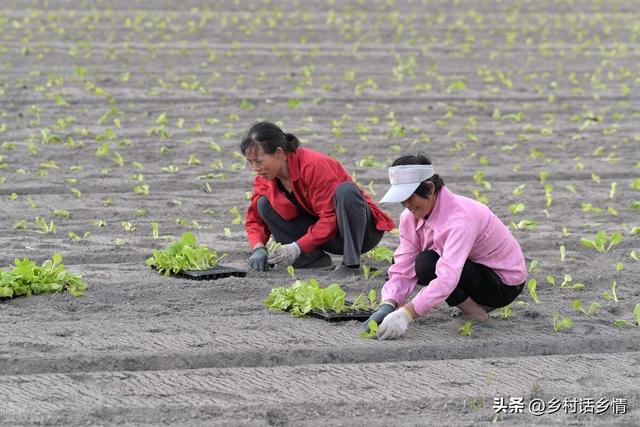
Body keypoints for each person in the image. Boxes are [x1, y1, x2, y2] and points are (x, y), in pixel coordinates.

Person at [365, 154, 527, 340]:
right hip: (473, 271)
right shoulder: (409, 218)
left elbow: (448, 277)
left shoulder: (461, 219)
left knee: (428, 264)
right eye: (402, 199)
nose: (407, 205)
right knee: (417, 262)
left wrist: (407, 313)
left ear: (430, 188)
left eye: (410, 197)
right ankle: (475, 305)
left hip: (503, 283)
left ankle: (477, 315)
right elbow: (403, 267)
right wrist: (388, 303)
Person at [241, 121, 395, 275]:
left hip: (360, 232)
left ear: (279, 153)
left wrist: (296, 247)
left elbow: (330, 217)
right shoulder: (265, 178)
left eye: (259, 161)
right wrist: (258, 247)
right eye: (250, 162)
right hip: (323, 235)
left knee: (346, 191)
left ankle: (351, 265)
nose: (255, 168)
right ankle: (311, 260)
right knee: (263, 203)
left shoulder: (314, 165)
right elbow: (255, 219)